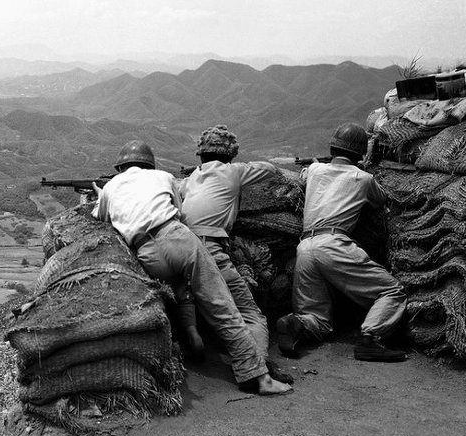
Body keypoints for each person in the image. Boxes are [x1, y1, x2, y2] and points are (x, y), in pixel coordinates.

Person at [92, 140, 292, 395]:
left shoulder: (110, 187)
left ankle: (190, 332)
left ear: (120, 166)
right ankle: (257, 377)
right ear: (148, 164)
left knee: (178, 285)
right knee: (221, 305)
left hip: (146, 252)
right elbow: (179, 211)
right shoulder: (163, 177)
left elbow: (99, 216)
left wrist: (102, 194)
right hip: (176, 236)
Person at [276, 123, 407, 362]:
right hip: (333, 243)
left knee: (317, 318)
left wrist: (318, 164)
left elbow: (306, 175)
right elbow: (380, 201)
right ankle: (370, 338)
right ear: (360, 154)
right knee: (391, 291)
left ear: (332, 147)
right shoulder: (364, 178)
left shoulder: (314, 170)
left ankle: (295, 323)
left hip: (305, 246)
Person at [179, 125, 292, 383]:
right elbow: (271, 170)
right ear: (230, 156)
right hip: (210, 250)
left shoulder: (188, 180)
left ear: (200, 155)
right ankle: (258, 366)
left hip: (183, 247)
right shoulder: (233, 172)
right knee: (251, 314)